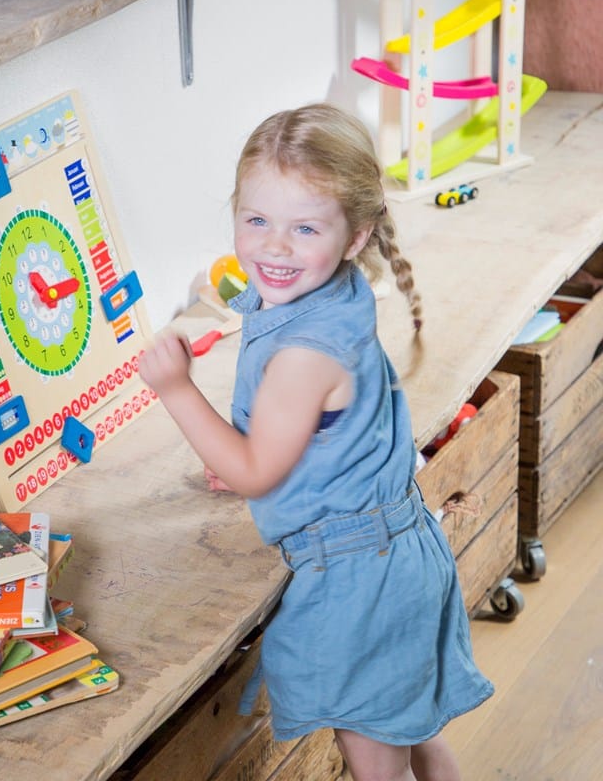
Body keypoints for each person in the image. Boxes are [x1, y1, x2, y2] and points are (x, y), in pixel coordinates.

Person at [137, 103, 493, 781]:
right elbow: (320, 432)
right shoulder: (334, 293)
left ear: (354, 237)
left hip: (360, 580)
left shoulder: (303, 353)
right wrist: (264, 452)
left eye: (304, 228)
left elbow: (255, 472)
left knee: (378, 766)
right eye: (256, 221)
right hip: (398, 548)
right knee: (413, 732)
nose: (274, 247)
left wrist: (177, 389)